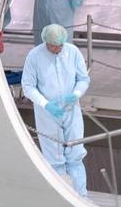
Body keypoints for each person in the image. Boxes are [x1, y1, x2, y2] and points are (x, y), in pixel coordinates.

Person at [21, 23, 91, 196]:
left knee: (75, 153)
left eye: (59, 45)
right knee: (54, 158)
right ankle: (63, 197)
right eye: (53, 46)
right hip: (47, 113)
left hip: (71, 109)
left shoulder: (72, 52)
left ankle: (81, 196)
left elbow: (83, 79)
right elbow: (28, 86)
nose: (56, 49)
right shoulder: (34, 56)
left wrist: (76, 93)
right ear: (45, 42)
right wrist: (46, 104)